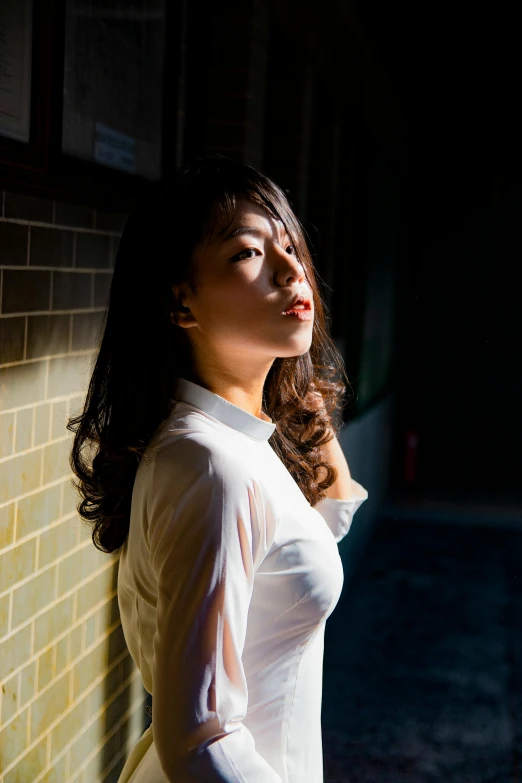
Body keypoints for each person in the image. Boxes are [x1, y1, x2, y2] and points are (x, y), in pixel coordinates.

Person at [68, 154, 368, 782]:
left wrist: (298, 394)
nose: (292, 271)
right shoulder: (213, 467)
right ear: (181, 303)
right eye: (247, 254)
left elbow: (303, 549)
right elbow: (201, 738)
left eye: (290, 245)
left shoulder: (231, 448)